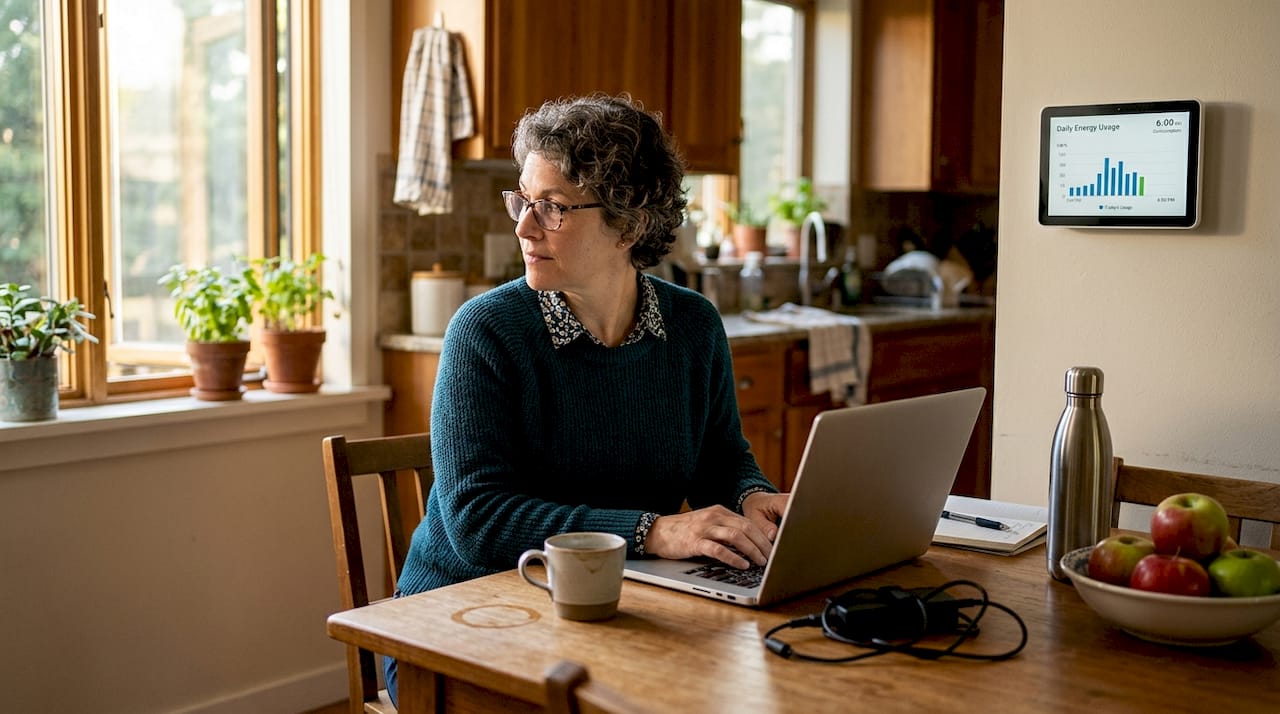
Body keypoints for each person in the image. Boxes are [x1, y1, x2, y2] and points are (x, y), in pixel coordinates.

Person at [384, 94, 789, 705]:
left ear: (628, 224)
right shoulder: (486, 332)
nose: (523, 226)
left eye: (551, 208)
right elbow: (477, 521)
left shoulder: (693, 326)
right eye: (522, 200)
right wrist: (651, 531)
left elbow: (721, 458)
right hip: (464, 619)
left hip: (606, 609)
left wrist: (752, 495)